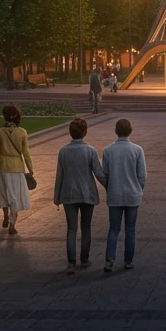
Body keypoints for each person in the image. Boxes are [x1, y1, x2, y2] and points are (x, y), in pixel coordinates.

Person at [54, 117, 107, 274]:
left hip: (69, 194)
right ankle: (84, 260)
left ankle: (71, 263)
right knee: (86, 227)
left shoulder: (63, 151)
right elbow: (99, 174)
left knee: (71, 229)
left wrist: (56, 197)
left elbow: (59, 176)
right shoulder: (90, 151)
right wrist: (110, 186)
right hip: (87, 193)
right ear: (85, 132)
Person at [102, 118, 146, 272]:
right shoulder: (137, 150)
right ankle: (128, 260)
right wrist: (138, 189)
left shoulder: (108, 150)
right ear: (130, 131)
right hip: (132, 195)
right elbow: (142, 176)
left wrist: (109, 187)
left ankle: (109, 260)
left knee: (113, 229)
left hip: (114, 194)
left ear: (116, 131)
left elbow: (104, 174)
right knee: (130, 229)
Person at [0, 104, 33, 234]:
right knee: (15, 196)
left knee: (3, 193)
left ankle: (5, 216)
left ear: (5, 117)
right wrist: (30, 168)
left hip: (2, 167)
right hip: (16, 167)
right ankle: (12, 224)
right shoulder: (22, 132)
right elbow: (26, 153)